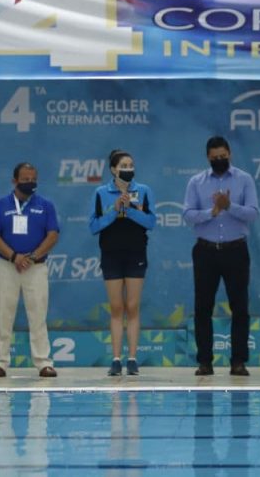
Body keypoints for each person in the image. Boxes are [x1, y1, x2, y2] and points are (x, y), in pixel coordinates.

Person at [182, 136, 259, 376]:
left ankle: (238, 361)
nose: (219, 160)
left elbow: (253, 213)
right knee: (203, 307)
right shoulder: (196, 182)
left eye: (223, 156)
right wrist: (211, 212)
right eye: (215, 158)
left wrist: (229, 206)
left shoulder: (244, 179)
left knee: (240, 307)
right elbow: (187, 214)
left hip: (236, 250)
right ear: (208, 157)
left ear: (230, 154)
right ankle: (205, 362)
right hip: (205, 251)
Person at [0, 162, 60, 378]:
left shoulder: (46, 205)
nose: (30, 183)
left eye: (33, 179)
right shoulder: (0, 205)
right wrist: (14, 256)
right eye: (25, 179)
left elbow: (53, 234)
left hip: (36, 267)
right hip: (7, 266)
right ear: (14, 181)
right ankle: (0, 362)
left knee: (38, 314)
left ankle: (44, 362)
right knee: (4, 314)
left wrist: (32, 256)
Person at [88, 149, 157, 376]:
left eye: (130, 166)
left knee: (133, 306)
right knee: (117, 307)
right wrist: (114, 210)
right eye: (123, 166)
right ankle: (116, 359)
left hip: (136, 254)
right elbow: (93, 226)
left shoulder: (143, 191)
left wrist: (130, 210)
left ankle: (132, 359)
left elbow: (151, 222)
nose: (128, 169)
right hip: (111, 254)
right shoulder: (101, 193)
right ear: (113, 169)